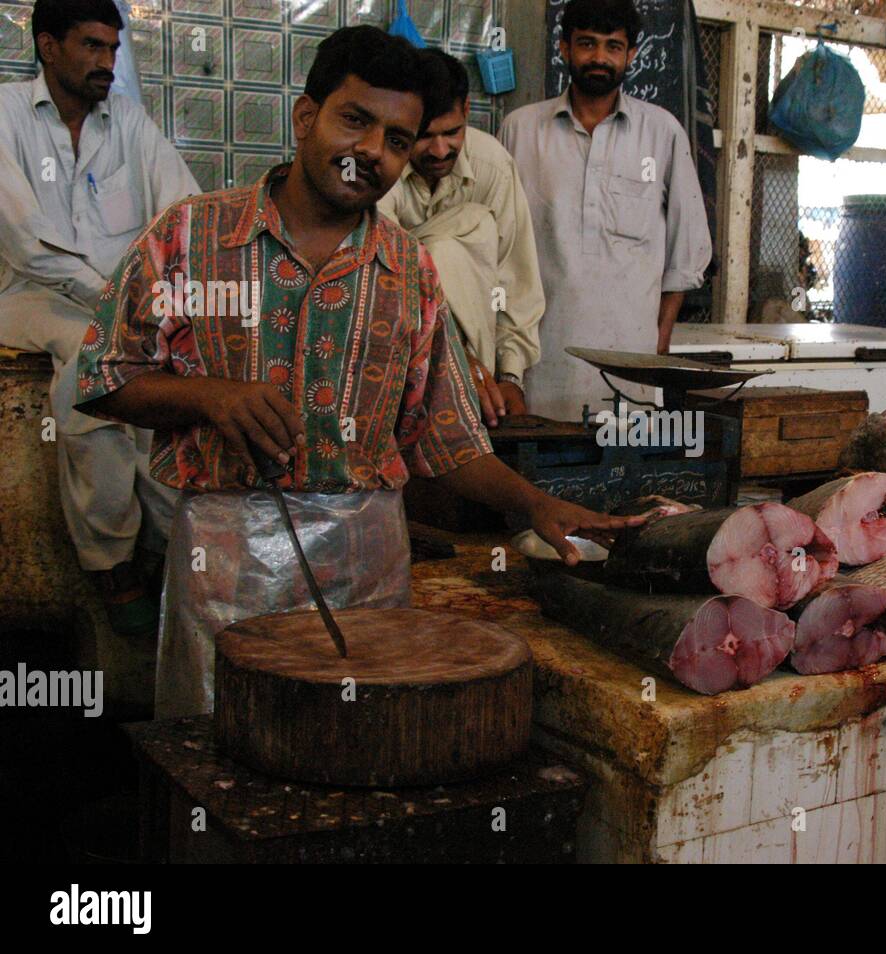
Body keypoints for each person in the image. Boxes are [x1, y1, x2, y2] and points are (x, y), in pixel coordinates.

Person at [75, 26, 641, 717]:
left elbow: (444, 437)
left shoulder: (408, 272)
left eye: (397, 140)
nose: (372, 151)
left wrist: (536, 505)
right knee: (220, 752)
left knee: (357, 750)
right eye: (355, 120)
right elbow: (102, 375)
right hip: (226, 559)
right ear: (306, 116)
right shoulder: (190, 238)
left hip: (367, 563)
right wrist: (208, 396)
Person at [0, 0, 199, 636]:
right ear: (47, 45)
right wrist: (119, 306)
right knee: (89, 358)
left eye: (112, 49)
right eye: (90, 46)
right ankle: (110, 563)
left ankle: (167, 549)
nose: (106, 63)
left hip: (126, 304)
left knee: (177, 368)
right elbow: (27, 244)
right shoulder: (4, 115)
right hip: (30, 297)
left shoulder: (129, 122)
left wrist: (168, 294)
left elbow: (183, 209)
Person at [499, 0, 711, 422]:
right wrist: (504, 368)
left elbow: (687, 253)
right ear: (564, 48)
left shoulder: (662, 132)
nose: (599, 58)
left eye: (613, 47)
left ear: (631, 54)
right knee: (539, 475)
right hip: (538, 369)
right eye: (587, 44)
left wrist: (657, 344)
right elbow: (496, 253)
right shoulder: (520, 130)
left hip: (630, 370)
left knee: (624, 481)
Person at [378, 48, 544, 428]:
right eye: (424, 137)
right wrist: (448, 360)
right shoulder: (381, 168)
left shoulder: (492, 165)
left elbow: (513, 281)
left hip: (479, 368)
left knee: (475, 223)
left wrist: (511, 377)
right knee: (436, 252)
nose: (439, 150)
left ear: (467, 110)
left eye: (451, 133)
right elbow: (383, 284)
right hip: (396, 359)